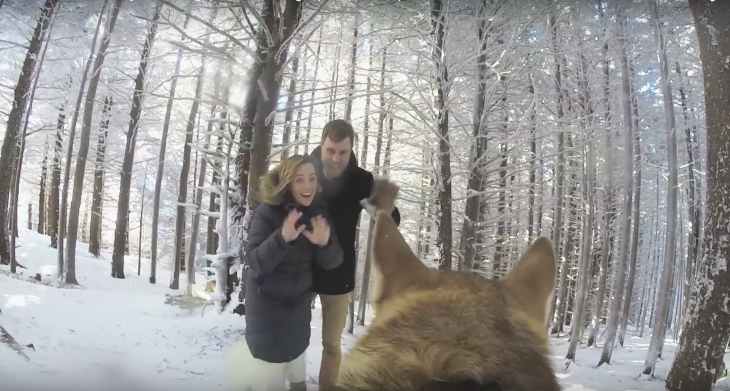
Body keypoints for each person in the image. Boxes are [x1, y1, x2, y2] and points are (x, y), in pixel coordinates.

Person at [223, 155, 344, 391]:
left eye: (311, 178)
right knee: (269, 378)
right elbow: (255, 261)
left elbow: (334, 261)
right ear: (288, 183)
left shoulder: (319, 212)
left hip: (298, 313)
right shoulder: (268, 212)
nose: (308, 186)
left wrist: (324, 244)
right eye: (299, 180)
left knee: (297, 372)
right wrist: (282, 238)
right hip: (268, 313)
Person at [309, 119, 401, 389]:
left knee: (331, 344)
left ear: (351, 150)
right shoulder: (304, 170)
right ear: (322, 144)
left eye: (343, 152)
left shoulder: (361, 180)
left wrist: (386, 204)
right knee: (293, 339)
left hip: (339, 272)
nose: (336, 158)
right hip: (300, 269)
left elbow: (388, 220)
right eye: (331, 151)